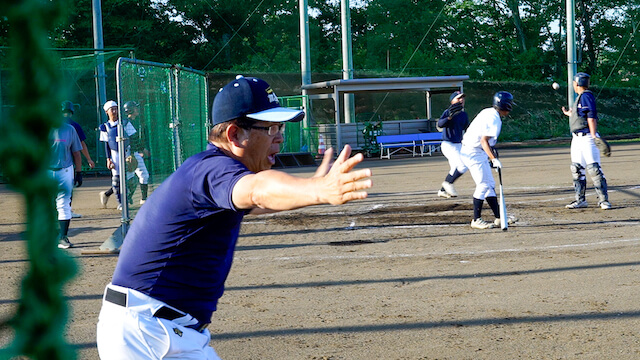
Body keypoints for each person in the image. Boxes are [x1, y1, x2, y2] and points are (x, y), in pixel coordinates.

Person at [96, 75, 372, 359]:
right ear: (234, 135)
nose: (279, 136)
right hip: (148, 332)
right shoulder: (213, 170)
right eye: (270, 128)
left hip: (157, 328)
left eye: (280, 127)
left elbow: (254, 202)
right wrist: (317, 190)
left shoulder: (212, 172)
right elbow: (256, 191)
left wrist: (308, 188)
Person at [460, 91, 516, 229]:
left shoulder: (489, 112)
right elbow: (484, 141)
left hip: (472, 150)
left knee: (489, 184)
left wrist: (491, 156)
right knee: (484, 184)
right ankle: (476, 219)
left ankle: (499, 217)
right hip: (474, 152)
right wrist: (493, 159)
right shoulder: (494, 119)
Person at [561, 72, 611, 210]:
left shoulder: (586, 96)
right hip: (577, 139)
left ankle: (603, 200)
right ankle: (580, 200)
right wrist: (570, 114)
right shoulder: (581, 97)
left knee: (594, 169)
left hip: (588, 137)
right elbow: (582, 115)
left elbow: (591, 116)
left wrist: (594, 135)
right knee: (576, 168)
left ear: (576, 84)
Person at [49, 119, 83, 249]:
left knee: (63, 203)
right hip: (45, 171)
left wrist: (78, 172)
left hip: (65, 170)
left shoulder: (69, 129)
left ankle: (63, 237)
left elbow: (76, 152)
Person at [98, 100, 136, 210]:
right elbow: (106, 145)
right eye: (112, 109)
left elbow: (133, 138)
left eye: (116, 109)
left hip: (127, 153)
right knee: (116, 180)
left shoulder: (125, 123)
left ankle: (125, 198)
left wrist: (132, 154)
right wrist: (108, 159)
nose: (114, 111)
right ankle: (121, 203)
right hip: (115, 154)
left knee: (131, 181)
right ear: (106, 112)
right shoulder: (105, 127)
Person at [61, 100, 95, 219]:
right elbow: (81, 145)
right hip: (69, 162)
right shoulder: (74, 125)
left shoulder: (52, 124)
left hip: (52, 162)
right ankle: (67, 210)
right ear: (72, 111)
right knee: (68, 187)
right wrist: (89, 159)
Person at [436, 91, 469, 198]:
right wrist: (449, 117)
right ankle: (448, 183)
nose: (461, 100)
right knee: (463, 165)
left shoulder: (463, 114)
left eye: (462, 98)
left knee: (455, 168)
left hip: (458, 145)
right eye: (458, 98)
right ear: (452, 101)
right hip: (448, 144)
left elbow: (467, 128)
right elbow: (440, 124)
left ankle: (442, 191)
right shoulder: (448, 112)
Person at [123, 100, 150, 204]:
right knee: (128, 178)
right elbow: (133, 139)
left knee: (144, 175)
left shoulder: (135, 121)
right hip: (128, 154)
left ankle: (143, 199)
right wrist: (142, 149)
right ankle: (121, 198)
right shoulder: (127, 122)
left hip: (134, 153)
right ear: (130, 110)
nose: (137, 109)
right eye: (135, 107)